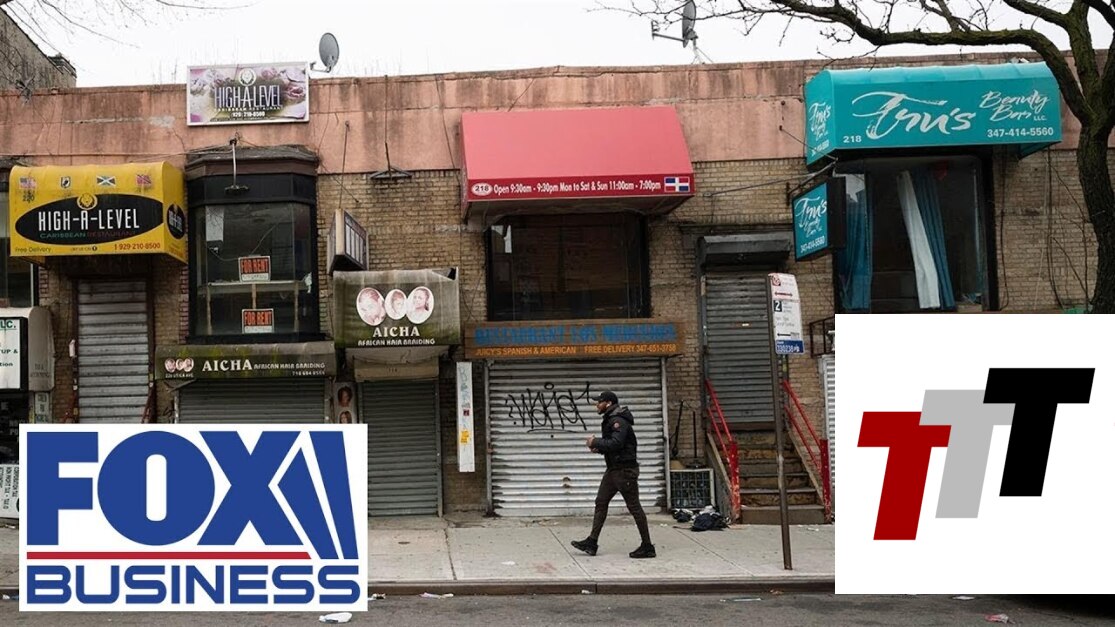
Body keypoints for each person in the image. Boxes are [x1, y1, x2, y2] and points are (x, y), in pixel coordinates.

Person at [570, 390, 655, 559]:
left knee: (634, 507)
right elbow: (613, 446)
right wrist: (599, 448)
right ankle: (591, 542)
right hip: (613, 470)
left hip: (625, 471)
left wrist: (595, 441)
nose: (597, 405)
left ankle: (647, 547)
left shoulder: (618, 421)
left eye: (599, 402)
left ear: (608, 403)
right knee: (601, 502)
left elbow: (617, 443)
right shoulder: (611, 418)